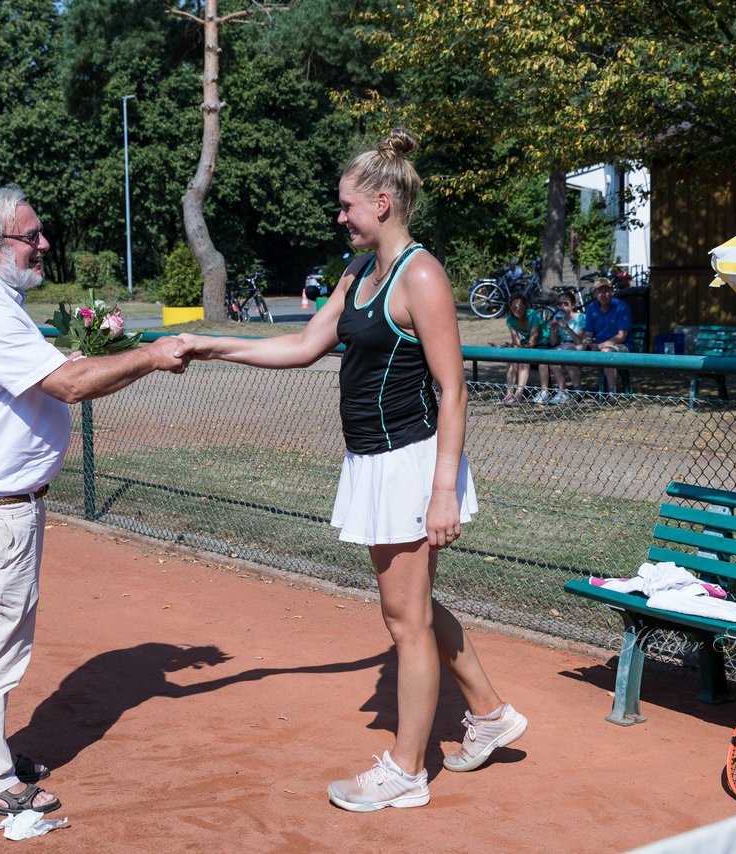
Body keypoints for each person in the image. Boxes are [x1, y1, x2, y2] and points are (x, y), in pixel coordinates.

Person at [174, 128, 526, 813]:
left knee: (405, 622)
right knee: (413, 606)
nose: (340, 216)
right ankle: (487, 713)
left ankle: (405, 771)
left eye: (347, 206)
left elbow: (454, 390)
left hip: (411, 462)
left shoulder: (419, 275)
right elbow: (306, 344)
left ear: (384, 203)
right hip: (372, 458)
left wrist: (442, 493)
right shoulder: (357, 274)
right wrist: (211, 346)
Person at [0, 185, 189, 817]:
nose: (44, 244)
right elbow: (67, 385)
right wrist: (149, 355)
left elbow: (45, 375)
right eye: (30, 236)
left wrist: (99, 357)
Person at [498, 290, 553, 405]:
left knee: (524, 358)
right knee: (512, 358)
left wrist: (518, 346)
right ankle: (509, 394)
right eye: (515, 307)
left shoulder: (533, 316)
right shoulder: (510, 319)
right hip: (527, 344)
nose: (518, 309)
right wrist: (512, 347)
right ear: (510, 307)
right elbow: (516, 341)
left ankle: (518, 394)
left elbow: (532, 342)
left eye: (521, 307)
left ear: (525, 306)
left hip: (543, 344)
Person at [583, 277, 632, 392]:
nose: (604, 294)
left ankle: (612, 392)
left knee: (606, 352)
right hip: (598, 345)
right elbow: (588, 333)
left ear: (611, 292)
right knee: (568, 350)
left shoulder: (621, 306)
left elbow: (621, 336)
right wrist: (589, 342)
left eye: (606, 291)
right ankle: (572, 391)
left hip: (622, 346)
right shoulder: (591, 308)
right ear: (595, 293)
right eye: (600, 291)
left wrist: (601, 346)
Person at [548, 293, 590, 400]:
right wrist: (553, 329)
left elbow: (579, 341)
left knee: (568, 353)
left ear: (573, 305)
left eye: (565, 303)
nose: (562, 306)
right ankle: (562, 391)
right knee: (550, 355)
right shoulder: (558, 317)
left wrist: (567, 328)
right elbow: (552, 343)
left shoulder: (581, 318)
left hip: (578, 346)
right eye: (560, 304)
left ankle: (578, 389)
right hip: (562, 347)